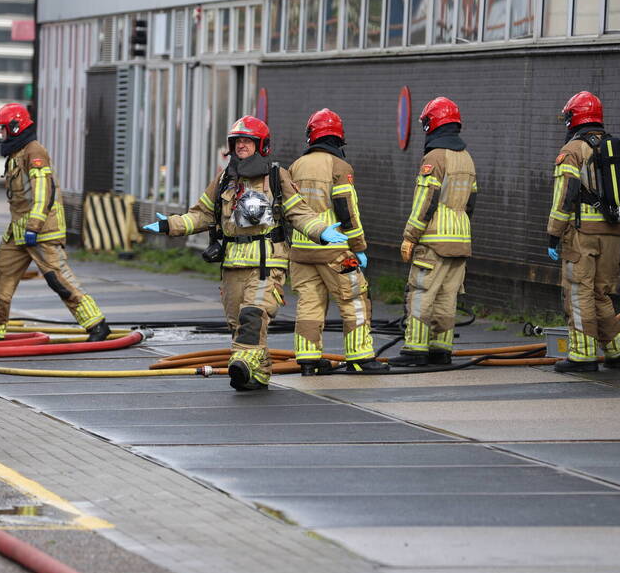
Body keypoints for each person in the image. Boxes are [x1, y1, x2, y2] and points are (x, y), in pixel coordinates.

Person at [144, 115, 349, 391]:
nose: (241, 145)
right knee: (238, 324)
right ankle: (258, 374)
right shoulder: (224, 180)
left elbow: (299, 212)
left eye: (247, 141)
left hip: (266, 263)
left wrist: (321, 231)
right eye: (237, 141)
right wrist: (170, 225)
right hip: (232, 265)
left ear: (261, 145)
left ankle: (240, 365)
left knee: (253, 316)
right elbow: (202, 215)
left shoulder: (276, 177)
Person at [0, 103, 110, 342]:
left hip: (41, 231)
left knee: (59, 280)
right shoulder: (16, 153)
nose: (0, 133)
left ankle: (97, 325)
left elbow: (43, 191)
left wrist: (34, 226)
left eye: (3, 128)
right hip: (19, 231)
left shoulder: (34, 152)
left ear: (15, 127)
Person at [287, 108, 389, 375]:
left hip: (301, 251)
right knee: (354, 299)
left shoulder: (295, 166)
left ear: (311, 136)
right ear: (338, 137)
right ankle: (360, 358)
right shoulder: (340, 167)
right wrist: (359, 247)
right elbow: (346, 211)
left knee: (309, 303)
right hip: (334, 251)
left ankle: (308, 361)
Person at [389, 96, 477, 367]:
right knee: (447, 297)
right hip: (461, 240)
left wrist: (410, 236)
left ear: (432, 124)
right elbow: (471, 202)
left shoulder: (435, 157)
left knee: (422, 293)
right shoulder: (467, 158)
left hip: (434, 240)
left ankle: (415, 350)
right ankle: (441, 349)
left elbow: (425, 201)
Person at [547, 91, 620, 372]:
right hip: (613, 231)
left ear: (575, 118)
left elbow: (565, 196)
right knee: (600, 294)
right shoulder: (614, 148)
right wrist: (618, 225)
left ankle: (582, 356)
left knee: (578, 293)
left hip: (582, 234)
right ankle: (617, 352)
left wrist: (553, 233)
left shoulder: (572, 151)